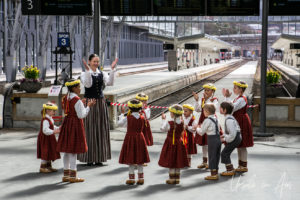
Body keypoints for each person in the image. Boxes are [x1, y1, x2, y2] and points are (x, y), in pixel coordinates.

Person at [78, 54, 118, 166]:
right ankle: (89, 157)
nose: (96, 63)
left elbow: (110, 83)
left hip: (100, 103)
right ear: (89, 62)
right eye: (94, 61)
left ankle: (100, 157)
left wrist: (112, 69)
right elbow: (88, 84)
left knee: (100, 128)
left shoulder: (102, 73)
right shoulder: (83, 74)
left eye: (97, 61)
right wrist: (87, 71)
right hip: (89, 103)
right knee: (89, 129)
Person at [56, 79, 96, 183]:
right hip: (75, 125)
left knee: (67, 151)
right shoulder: (77, 100)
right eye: (79, 87)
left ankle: (66, 175)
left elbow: (71, 109)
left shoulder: (66, 97)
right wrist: (88, 106)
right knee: (73, 152)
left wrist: (81, 105)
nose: (80, 88)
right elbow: (81, 115)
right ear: (74, 88)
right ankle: (73, 176)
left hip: (67, 123)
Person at [222, 80, 253, 172]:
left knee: (243, 145)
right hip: (239, 120)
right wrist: (227, 97)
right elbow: (230, 106)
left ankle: (244, 165)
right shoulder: (237, 98)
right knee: (239, 144)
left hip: (241, 121)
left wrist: (227, 97)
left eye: (235, 88)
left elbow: (230, 108)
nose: (233, 89)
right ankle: (241, 164)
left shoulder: (241, 99)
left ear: (241, 89)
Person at [118, 99, 150, 185]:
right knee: (140, 159)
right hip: (140, 138)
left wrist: (122, 114)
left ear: (130, 108)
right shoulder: (142, 117)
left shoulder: (128, 118)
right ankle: (141, 178)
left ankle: (131, 179)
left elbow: (120, 124)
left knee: (130, 158)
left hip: (130, 138)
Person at [158, 104, 189, 184]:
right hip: (179, 142)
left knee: (171, 159)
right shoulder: (182, 122)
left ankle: (172, 179)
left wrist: (163, 120)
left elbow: (162, 129)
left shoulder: (169, 123)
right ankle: (177, 178)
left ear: (173, 114)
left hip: (170, 143)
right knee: (177, 159)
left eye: (171, 112)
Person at [192, 83, 218, 169]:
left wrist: (207, 100)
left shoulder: (214, 100)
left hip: (210, 120)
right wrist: (197, 100)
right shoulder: (203, 99)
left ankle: (211, 162)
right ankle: (204, 161)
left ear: (213, 92)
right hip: (203, 119)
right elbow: (198, 109)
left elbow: (213, 109)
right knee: (204, 143)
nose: (206, 92)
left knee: (209, 142)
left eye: (208, 90)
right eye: (205, 90)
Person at [196, 103, 222, 180]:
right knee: (216, 155)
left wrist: (197, 128)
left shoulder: (207, 120)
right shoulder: (216, 119)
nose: (203, 112)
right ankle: (216, 172)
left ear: (207, 111)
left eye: (203, 111)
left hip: (211, 139)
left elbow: (201, 132)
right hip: (218, 138)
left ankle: (213, 175)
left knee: (212, 156)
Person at [37, 103, 61, 173]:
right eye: (53, 111)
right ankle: (43, 167)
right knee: (45, 151)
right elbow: (45, 130)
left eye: (54, 111)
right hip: (45, 138)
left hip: (49, 137)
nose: (54, 112)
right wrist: (54, 131)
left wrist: (58, 128)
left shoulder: (49, 118)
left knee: (49, 151)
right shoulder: (45, 120)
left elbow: (52, 126)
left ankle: (48, 166)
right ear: (47, 111)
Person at [219, 102, 242, 176]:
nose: (219, 109)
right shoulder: (229, 117)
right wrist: (225, 136)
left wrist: (225, 139)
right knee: (226, 153)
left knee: (224, 153)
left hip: (235, 138)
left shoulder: (229, 120)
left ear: (224, 110)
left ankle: (230, 170)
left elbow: (232, 133)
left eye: (221, 108)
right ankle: (230, 169)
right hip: (236, 137)